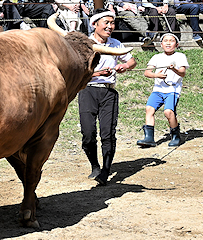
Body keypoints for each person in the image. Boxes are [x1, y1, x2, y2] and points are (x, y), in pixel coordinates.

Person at [78, 8, 136, 185]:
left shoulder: (116, 44)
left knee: (108, 134)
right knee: (88, 133)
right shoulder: (85, 44)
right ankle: (94, 165)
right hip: (88, 90)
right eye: (106, 23)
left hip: (109, 92)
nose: (110, 26)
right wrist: (96, 74)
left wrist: (125, 66)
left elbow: (132, 61)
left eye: (112, 23)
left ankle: (106, 170)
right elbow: (77, 71)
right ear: (94, 24)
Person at [137, 33, 189, 148]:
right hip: (158, 89)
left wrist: (174, 69)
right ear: (161, 44)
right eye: (165, 41)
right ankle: (149, 137)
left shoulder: (180, 56)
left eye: (171, 41)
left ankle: (175, 135)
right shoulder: (156, 57)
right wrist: (156, 75)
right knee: (149, 109)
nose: (168, 43)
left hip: (173, 89)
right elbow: (147, 72)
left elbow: (182, 73)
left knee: (168, 112)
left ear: (177, 44)